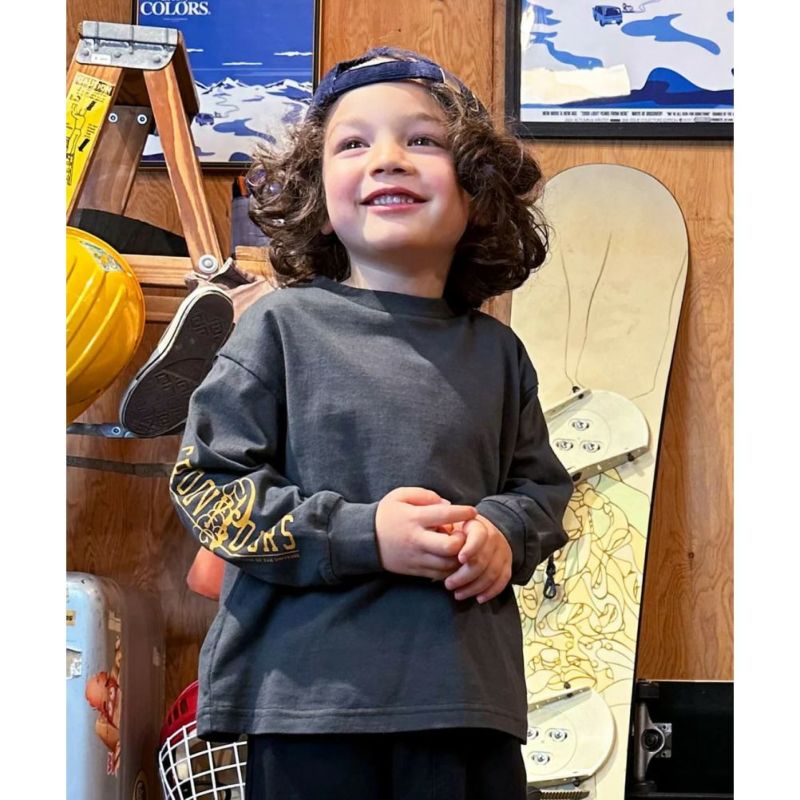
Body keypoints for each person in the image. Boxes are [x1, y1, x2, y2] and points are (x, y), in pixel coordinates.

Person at [169, 46, 573, 800]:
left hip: (465, 704)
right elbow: (208, 490)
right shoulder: (278, 330)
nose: (388, 157)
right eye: (353, 143)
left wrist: (502, 532)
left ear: (477, 188)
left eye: (422, 139)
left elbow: (542, 491)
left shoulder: (499, 354)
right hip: (307, 710)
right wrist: (364, 534)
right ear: (317, 194)